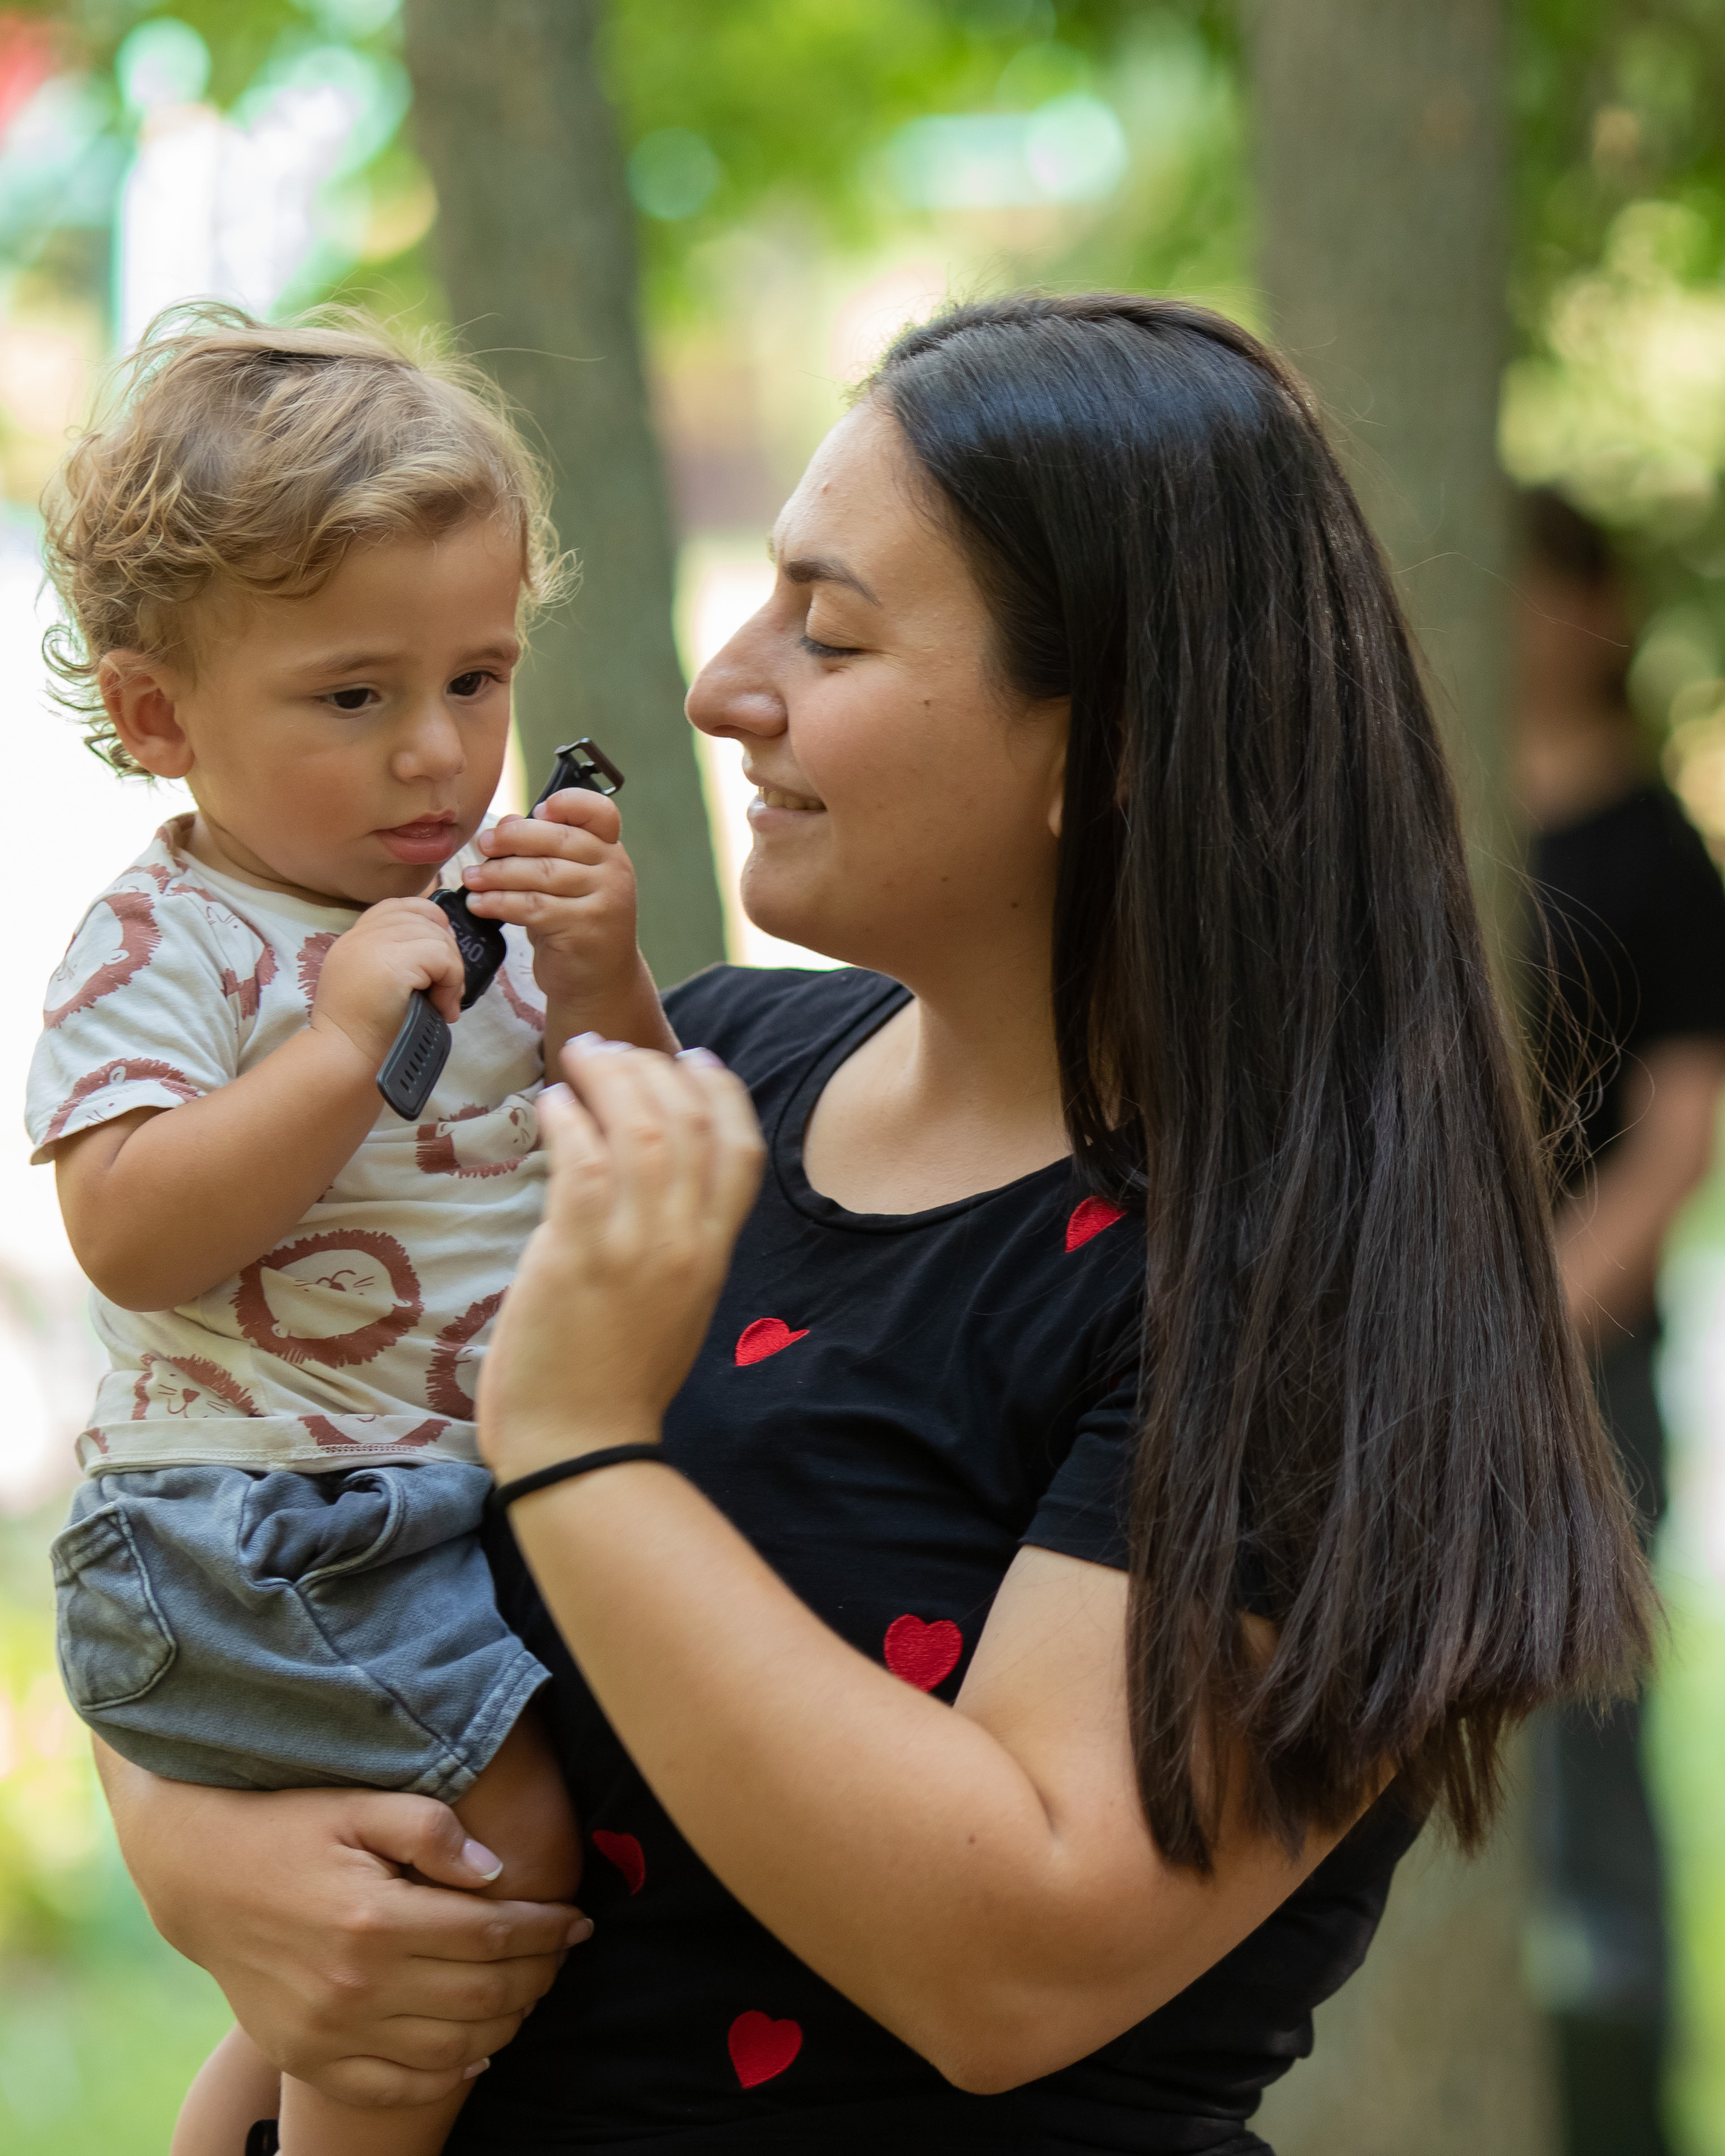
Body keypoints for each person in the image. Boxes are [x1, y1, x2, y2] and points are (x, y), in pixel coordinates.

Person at [92, 296, 1654, 2156]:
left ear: (1122, 736)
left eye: (828, 631)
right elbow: (272, 1479)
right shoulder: (702, 1066)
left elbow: (1014, 1967)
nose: (721, 684)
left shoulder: (1312, 1297)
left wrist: (583, 1444)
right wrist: (197, 1851)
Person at [27, 307, 671, 2155]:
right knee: (488, 1862)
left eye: (478, 680)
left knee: (400, 1918)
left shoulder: (483, 909)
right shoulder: (168, 948)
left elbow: (636, 1124)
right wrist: (333, 1051)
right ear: (161, 718)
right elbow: (132, 1235)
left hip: (424, 1515)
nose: (437, 758)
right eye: (354, 696)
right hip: (247, 1528)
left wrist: (604, 976)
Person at [1516, 489, 1725, 2156]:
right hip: (1421, 1351)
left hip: (1582, 1367)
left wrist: (1532, 1325)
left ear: (1588, 606)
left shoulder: (1655, 848)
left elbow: (1674, 1137)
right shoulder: (1430, 814)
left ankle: (1610, 2116)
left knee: (1585, 1744)